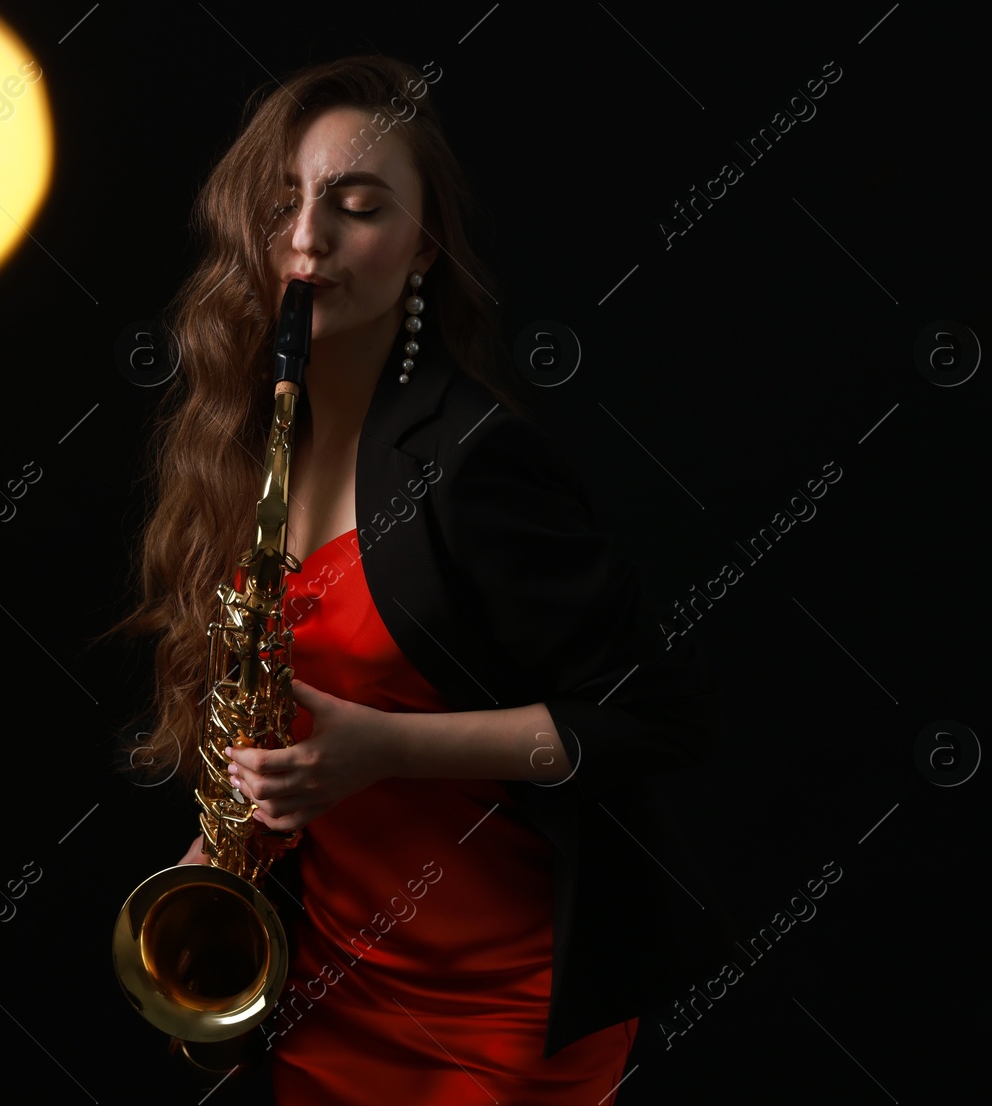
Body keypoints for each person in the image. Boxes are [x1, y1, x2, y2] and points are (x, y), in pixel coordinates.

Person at [104, 54, 733, 1105]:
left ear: (422, 249)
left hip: (500, 1012)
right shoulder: (238, 455)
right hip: (331, 1000)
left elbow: (659, 715)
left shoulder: (475, 459)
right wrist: (211, 865)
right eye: (281, 207)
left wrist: (380, 747)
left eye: (355, 207)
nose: (306, 240)